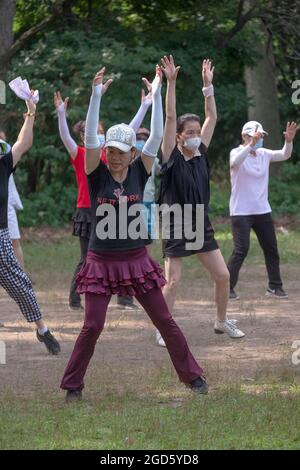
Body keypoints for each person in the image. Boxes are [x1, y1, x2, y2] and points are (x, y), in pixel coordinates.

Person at [60, 64, 208, 402]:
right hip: (100, 262)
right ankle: (72, 386)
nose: (113, 157)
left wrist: (156, 97)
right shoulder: (95, 174)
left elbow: (156, 136)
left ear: (132, 154)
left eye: (120, 152)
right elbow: (89, 140)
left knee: (164, 320)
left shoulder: (141, 170)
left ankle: (193, 377)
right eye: (109, 151)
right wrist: (95, 96)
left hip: (137, 260)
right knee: (92, 326)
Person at [156, 55, 245, 348]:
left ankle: (221, 321)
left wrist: (209, 87)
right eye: (190, 133)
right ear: (179, 137)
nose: (196, 136)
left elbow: (212, 117)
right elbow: (169, 117)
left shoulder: (201, 154)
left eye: (197, 132)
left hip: (199, 222)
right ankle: (164, 329)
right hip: (174, 220)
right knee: (174, 281)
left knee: (223, 275)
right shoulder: (170, 156)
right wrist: (171, 83)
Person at [54, 85, 152, 311]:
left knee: (123, 252)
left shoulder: (113, 154)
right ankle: (76, 297)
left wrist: (145, 106)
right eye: (95, 130)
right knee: (87, 257)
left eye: (102, 130)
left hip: (114, 208)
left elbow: (128, 131)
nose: (100, 133)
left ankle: (125, 299)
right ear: (86, 134)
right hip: (88, 211)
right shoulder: (81, 155)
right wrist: (61, 114)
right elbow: (66, 136)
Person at [0, 94, 60, 354]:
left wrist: (31, 112)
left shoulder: (3, 165)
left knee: (20, 285)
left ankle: (42, 329)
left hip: (0, 236)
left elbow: (23, 143)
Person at [227, 120, 298, 299]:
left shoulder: (264, 154)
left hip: (262, 211)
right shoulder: (236, 152)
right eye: (256, 136)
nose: (260, 140)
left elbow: (284, 155)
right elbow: (236, 162)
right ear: (245, 136)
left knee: (271, 249)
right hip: (241, 212)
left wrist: (288, 141)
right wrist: (250, 145)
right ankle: (226, 288)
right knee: (241, 250)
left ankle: (275, 287)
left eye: (261, 136)